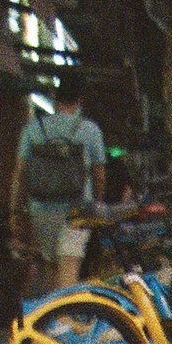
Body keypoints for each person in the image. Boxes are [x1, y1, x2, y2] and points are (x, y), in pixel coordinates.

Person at [12, 89, 107, 291]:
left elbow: (20, 173)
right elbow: (99, 174)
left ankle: (48, 316)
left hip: (41, 208)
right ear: (80, 100)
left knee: (48, 267)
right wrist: (97, 203)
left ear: (55, 99)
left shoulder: (33, 128)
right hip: (78, 211)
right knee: (69, 266)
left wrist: (15, 209)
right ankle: (64, 318)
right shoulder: (89, 129)